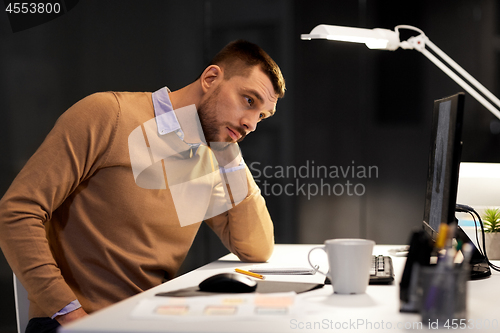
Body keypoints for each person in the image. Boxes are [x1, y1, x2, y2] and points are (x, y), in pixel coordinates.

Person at [0, 40, 285, 333]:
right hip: (77, 322)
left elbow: (256, 249)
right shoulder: (109, 114)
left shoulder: (206, 158)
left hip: (149, 318)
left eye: (261, 116)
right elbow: (17, 212)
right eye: (248, 101)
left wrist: (229, 153)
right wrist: (73, 317)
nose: (251, 124)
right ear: (211, 78)